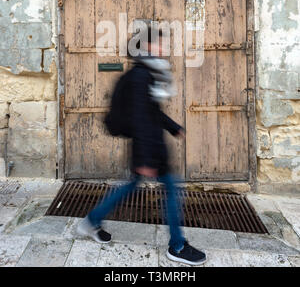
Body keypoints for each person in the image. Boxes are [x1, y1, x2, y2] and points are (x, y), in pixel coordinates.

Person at [77, 25, 207, 266]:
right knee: (170, 190)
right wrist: (145, 159)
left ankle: (92, 220)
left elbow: (152, 112)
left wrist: (173, 127)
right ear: (146, 46)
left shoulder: (148, 72)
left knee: (134, 187)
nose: (164, 47)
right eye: (159, 43)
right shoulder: (141, 76)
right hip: (149, 148)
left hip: (150, 146)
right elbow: (141, 118)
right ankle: (177, 245)